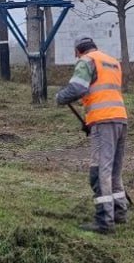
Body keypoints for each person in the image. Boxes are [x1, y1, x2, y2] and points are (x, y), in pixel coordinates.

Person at [55, 37, 128, 234]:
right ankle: (120, 211)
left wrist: (60, 97)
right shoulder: (112, 61)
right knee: (114, 170)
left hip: (103, 121)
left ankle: (104, 220)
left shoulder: (86, 61)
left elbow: (78, 88)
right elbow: (103, 93)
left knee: (99, 171)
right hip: (120, 118)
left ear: (78, 51)